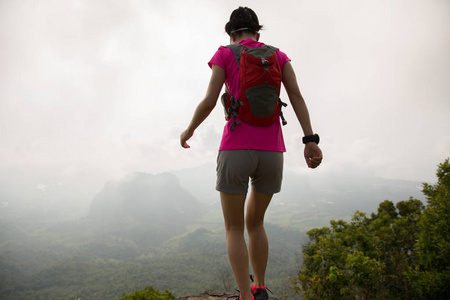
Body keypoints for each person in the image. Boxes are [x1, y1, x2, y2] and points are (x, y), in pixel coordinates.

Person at [180, 6, 322, 300]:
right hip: (272, 151)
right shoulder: (278, 56)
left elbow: (209, 100)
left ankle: (245, 296)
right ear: (258, 33)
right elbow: (296, 96)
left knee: (234, 227)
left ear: (231, 34)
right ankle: (260, 288)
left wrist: (189, 129)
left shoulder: (224, 53)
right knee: (256, 222)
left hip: (235, 149)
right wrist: (309, 139)